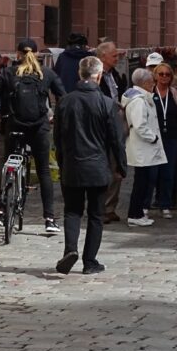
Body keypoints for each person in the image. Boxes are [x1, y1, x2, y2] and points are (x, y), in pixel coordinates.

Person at [54, 56, 126, 275]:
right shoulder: (107, 103)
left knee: (72, 211)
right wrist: (121, 165)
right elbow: (116, 139)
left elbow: (58, 138)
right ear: (99, 75)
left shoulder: (65, 101)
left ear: (80, 73)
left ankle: (70, 249)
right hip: (97, 166)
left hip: (73, 164)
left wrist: (62, 162)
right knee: (96, 215)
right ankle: (90, 261)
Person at [0, 38, 67, 233]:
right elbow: (63, 96)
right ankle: (49, 219)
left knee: (7, 163)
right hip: (39, 127)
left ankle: (0, 211)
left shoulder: (8, 73)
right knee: (43, 171)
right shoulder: (47, 73)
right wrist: (55, 117)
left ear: (18, 54)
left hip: (14, 125)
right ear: (37, 54)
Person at [121, 68, 165, 227]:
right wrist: (153, 138)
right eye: (152, 81)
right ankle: (135, 214)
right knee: (141, 183)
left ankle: (137, 213)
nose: (153, 84)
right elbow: (140, 125)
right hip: (143, 147)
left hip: (142, 147)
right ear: (145, 83)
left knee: (142, 181)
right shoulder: (139, 101)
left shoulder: (138, 98)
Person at [95, 41, 131, 223]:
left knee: (117, 165)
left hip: (116, 123)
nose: (117, 58)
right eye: (114, 55)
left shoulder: (115, 74)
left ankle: (110, 207)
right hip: (102, 125)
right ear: (103, 57)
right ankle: (100, 208)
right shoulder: (96, 75)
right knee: (103, 167)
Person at [151, 62, 177, 218]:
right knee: (153, 172)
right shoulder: (150, 93)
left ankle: (165, 204)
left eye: (167, 74)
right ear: (155, 76)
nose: (164, 77)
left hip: (171, 137)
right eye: (161, 74)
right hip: (153, 138)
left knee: (168, 171)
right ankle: (148, 202)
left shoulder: (175, 93)